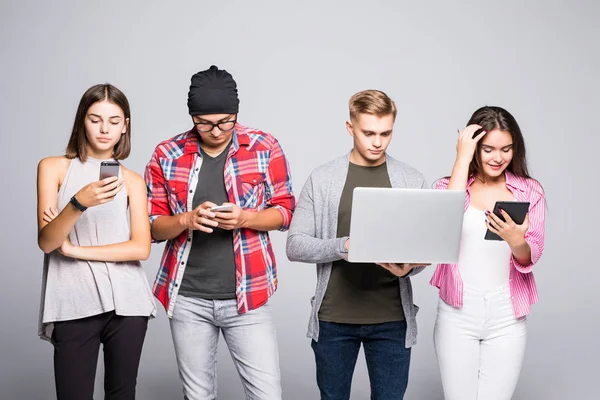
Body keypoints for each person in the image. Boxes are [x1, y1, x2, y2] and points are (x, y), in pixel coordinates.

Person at [144, 65, 295, 400]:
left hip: (247, 297)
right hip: (187, 299)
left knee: (267, 395)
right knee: (198, 397)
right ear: (192, 117)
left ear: (236, 113)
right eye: (205, 123)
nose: (216, 130)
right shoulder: (166, 154)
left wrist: (245, 218)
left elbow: (285, 211)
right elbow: (152, 227)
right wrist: (185, 220)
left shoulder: (263, 146)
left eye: (225, 121)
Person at [286, 89, 428, 400]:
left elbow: (422, 249)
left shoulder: (411, 180)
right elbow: (294, 245)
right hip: (334, 319)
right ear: (350, 128)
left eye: (385, 133)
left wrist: (410, 267)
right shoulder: (323, 179)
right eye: (368, 133)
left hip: (392, 319)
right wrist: (344, 246)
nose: (377, 142)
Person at [36, 83, 156, 400]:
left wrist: (75, 249)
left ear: (125, 125)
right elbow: (47, 242)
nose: (105, 129)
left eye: (114, 121)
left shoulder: (133, 181)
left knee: (122, 394)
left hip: (128, 303)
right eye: (95, 119)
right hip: (73, 301)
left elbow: (140, 248)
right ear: (82, 120)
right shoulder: (53, 168)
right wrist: (78, 203)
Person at [431, 106, 547, 400]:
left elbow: (529, 256)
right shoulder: (447, 186)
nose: (498, 158)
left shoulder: (530, 191)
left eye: (506, 149)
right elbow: (440, 230)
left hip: (506, 315)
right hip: (457, 312)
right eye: (488, 149)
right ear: (473, 148)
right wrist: (462, 158)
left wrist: (515, 240)